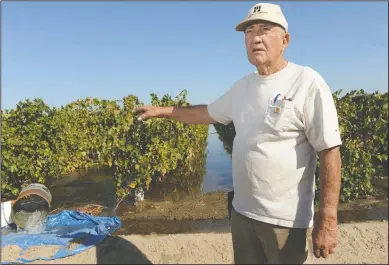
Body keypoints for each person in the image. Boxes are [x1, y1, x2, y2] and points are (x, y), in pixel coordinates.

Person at [134, 2, 342, 264]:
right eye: (249, 31)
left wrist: (328, 218)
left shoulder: (307, 82)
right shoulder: (243, 86)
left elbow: (329, 151)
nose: (256, 37)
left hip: (285, 221)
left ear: (285, 40)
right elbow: (205, 113)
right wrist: (161, 111)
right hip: (242, 214)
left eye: (265, 29)